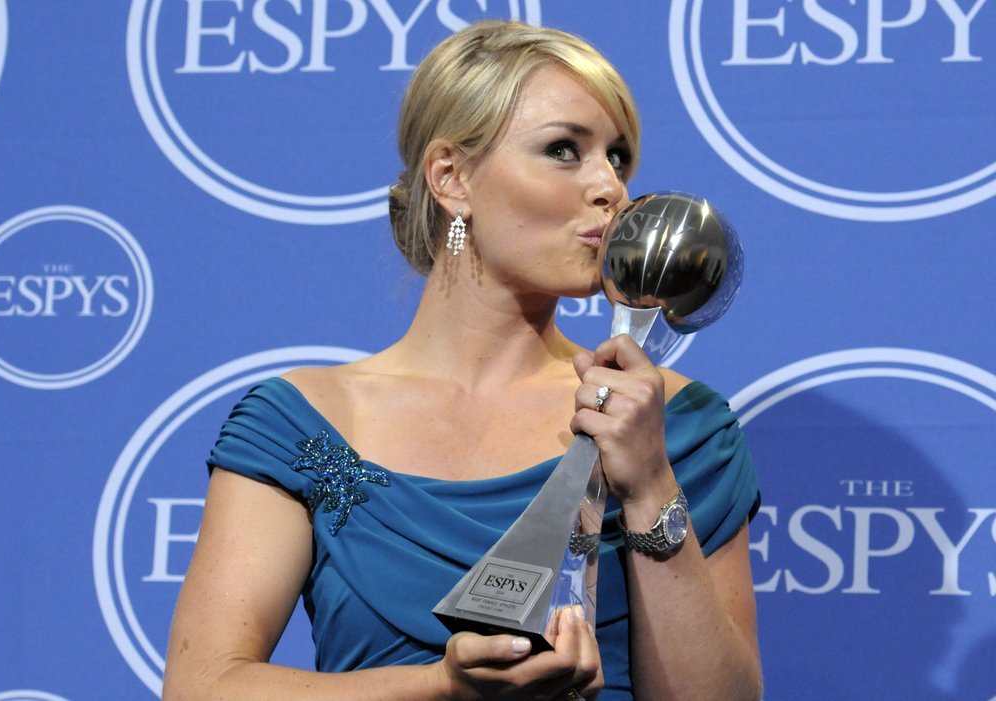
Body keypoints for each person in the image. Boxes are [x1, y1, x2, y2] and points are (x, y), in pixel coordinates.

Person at [162, 20, 762, 701]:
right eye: (564, 150)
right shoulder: (300, 423)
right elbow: (202, 685)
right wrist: (440, 685)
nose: (611, 188)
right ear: (452, 178)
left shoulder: (678, 423)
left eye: (618, 158)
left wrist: (650, 482)